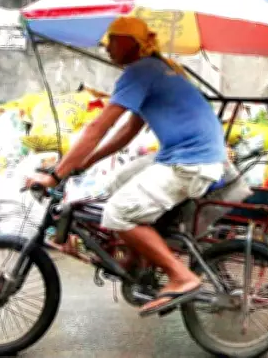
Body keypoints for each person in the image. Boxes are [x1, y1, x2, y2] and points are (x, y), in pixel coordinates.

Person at [25, 16, 226, 316]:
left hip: (190, 163)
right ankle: (138, 260)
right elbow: (127, 131)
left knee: (116, 212)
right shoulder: (158, 69)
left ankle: (181, 276)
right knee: (116, 183)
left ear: (132, 43)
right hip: (189, 156)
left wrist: (57, 174)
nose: (106, 47)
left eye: (113, 39)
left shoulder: (140, 71)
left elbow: (99, 127)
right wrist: (85, 163)